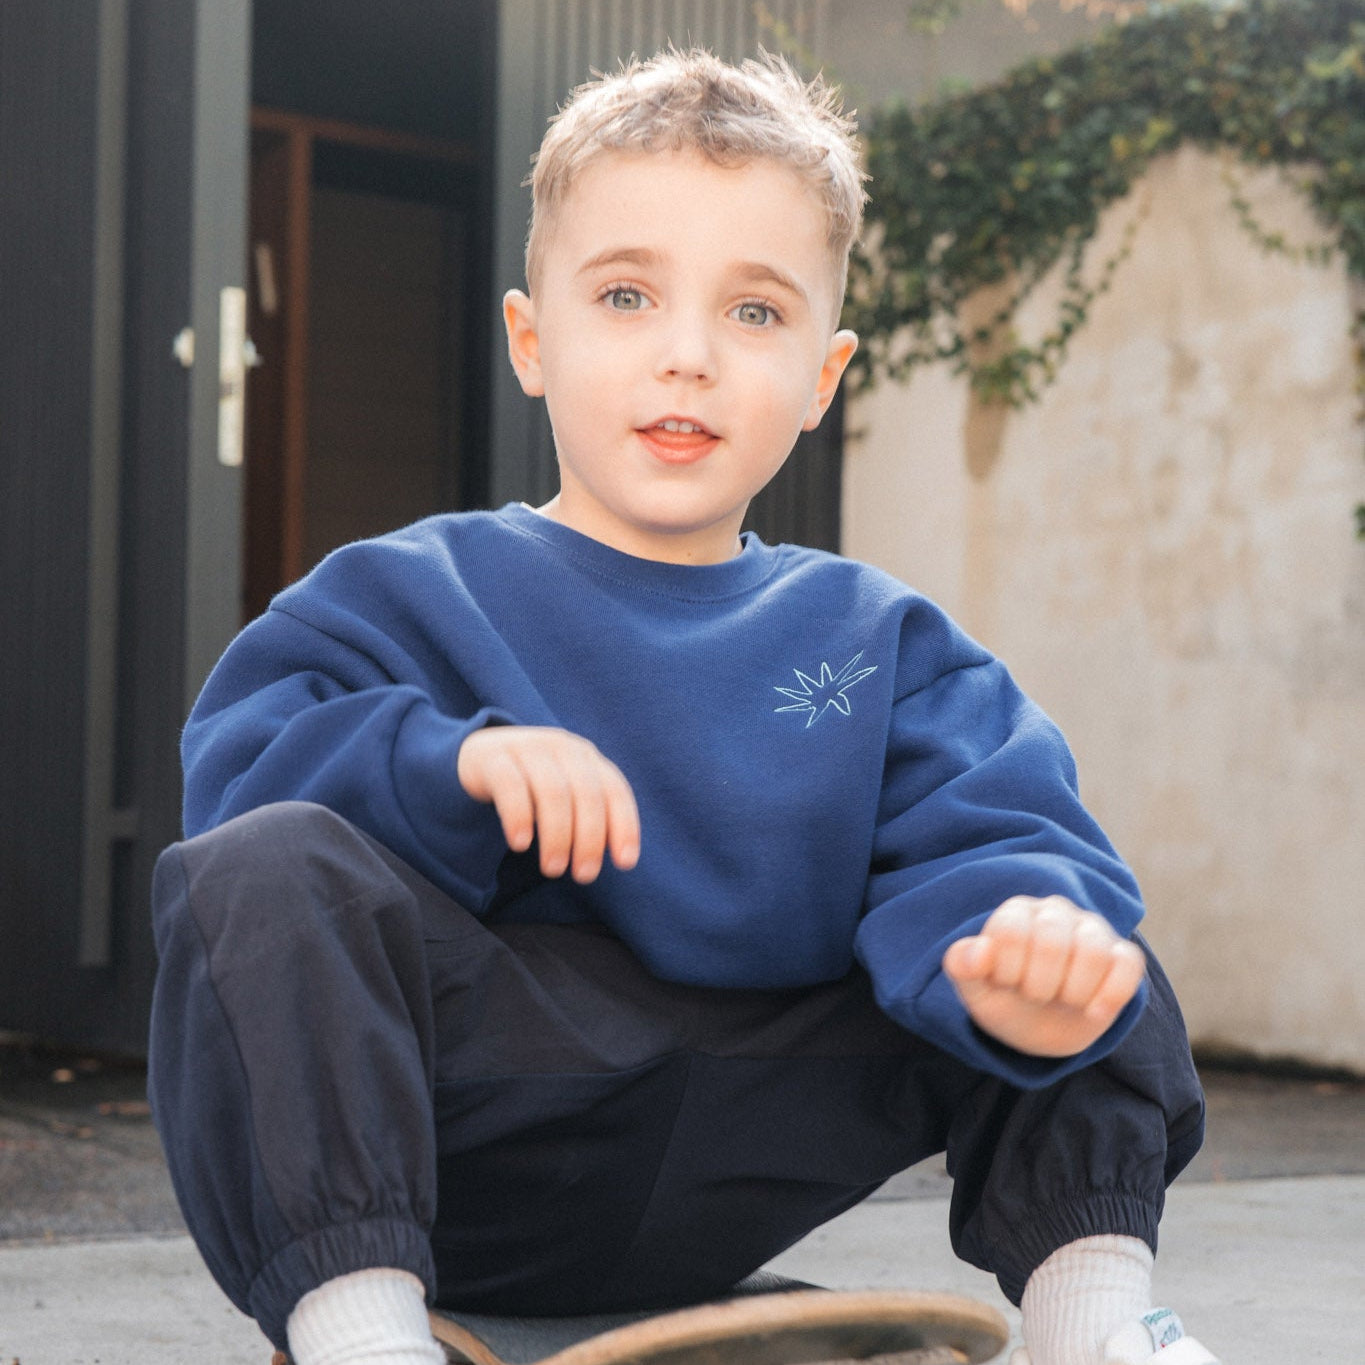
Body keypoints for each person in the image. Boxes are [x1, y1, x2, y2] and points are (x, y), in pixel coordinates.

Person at [148, 49, 1215, 1365]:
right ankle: (362, 1334)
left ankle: (1094, 1319)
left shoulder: (877, 639)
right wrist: (445, 768)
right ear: (531, 341)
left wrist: (1024, 950)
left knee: (1077, 934)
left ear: (822, 378)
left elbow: (991, 824)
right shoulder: (405, 591)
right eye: (625, 295)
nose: (687, 357)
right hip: (478, 1136)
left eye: (754, 312)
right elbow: (240, 778)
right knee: (259, 872)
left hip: (763, 1117)